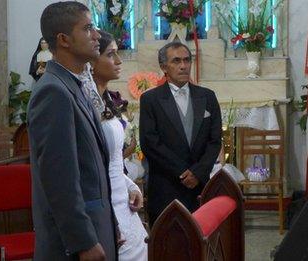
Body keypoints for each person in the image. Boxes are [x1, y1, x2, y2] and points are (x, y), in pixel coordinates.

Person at [27, 2, 117, 260]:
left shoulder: (73, 85)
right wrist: (83, 241)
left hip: (95, 226)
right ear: (64, 39)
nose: (97, 35)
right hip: (73, 244)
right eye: (88, 28)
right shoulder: (53, 91)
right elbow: (59, 179)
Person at [139, 41, 222, 225]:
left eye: (187, 60)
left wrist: (198, 173)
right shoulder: (150, 99)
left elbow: (215, 140)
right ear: (163, 67)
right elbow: (149, 142)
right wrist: (182, 173)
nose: (183, 66)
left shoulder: (207, 97)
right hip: (165, 186)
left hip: (199, 186)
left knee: (201, 242)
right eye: (176, 61)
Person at [82, 30, 147, 261]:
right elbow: (87, 168)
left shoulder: (107, 99)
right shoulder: (83, 103)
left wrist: (130, 186)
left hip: (122, 199)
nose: (119, 62)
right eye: (111, 55)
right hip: (101, 202)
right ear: (91, 62)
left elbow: (112, 160)